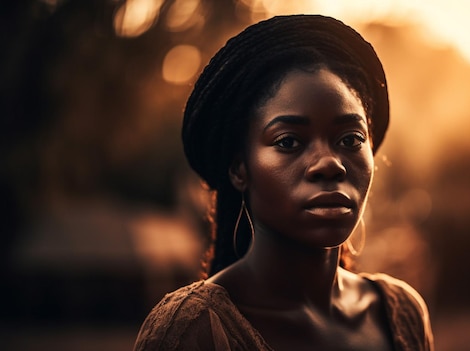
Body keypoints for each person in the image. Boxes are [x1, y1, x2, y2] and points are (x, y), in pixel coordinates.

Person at [133, 14, 434, 351]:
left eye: (350, 140)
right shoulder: (193, 331)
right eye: (289, 141)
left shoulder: (401, 315)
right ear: (239, 168)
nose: (330, 164)